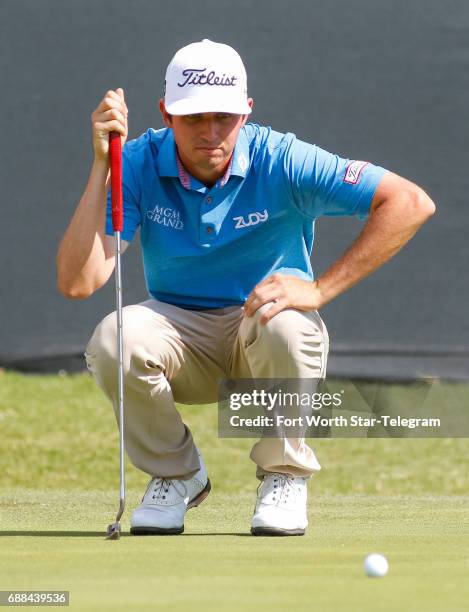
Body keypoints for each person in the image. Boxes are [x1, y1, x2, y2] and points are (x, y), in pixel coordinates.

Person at [56, 39, 435, 537]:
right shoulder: (139, 162)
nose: (211, 133)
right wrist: (104, 163)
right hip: (181, 337)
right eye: (194, 118)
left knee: (285, 322)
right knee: (114, 337)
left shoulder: (283, 158)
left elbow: (410, 201)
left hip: (262, 331)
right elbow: (80, 283)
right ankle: (177, 474)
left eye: (225, 117)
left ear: (247, 112)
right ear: (166, 114)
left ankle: (284, 475)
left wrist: (320, 289)